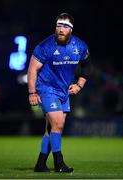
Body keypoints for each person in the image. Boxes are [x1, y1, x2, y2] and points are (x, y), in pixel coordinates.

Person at [27, 12, 91, 173]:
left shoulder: (80, 46)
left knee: (52, 129)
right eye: (58, 26)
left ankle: (40, 164)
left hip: (64, 91)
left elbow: (87, 66)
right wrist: (32, 92)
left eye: (65, 26)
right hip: (47, 89)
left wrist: (79, 85)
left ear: (71, 29)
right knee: (58, 124)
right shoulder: (45, 46)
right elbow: (32, 69)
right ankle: (59, 163)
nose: (61, 29)